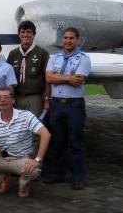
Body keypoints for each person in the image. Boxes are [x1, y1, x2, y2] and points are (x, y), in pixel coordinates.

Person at [43, 27, 91, 191]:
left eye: (71, 38)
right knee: (58, 141)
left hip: (74, 105)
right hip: (57, 104)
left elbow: (78, 81)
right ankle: (57, 175)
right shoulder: (54, 57)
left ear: (78, 40)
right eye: (65, 38)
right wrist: (68, 78)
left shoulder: (84, 59)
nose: (68, 41)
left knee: (75, 142)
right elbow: (48, 77)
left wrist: (60, 78)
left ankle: (77, 177)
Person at [8, 21, 50, 119]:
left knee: (33, 127)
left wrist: (47, 99)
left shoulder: (42, 53)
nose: (25, 35)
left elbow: (48, 79)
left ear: (34, 34)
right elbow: (7, 77)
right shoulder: (13, 54)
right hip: (16, 97)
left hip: (34, 98)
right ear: (19, 34)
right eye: (22, 32)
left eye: (28, 32)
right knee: (17, 127)